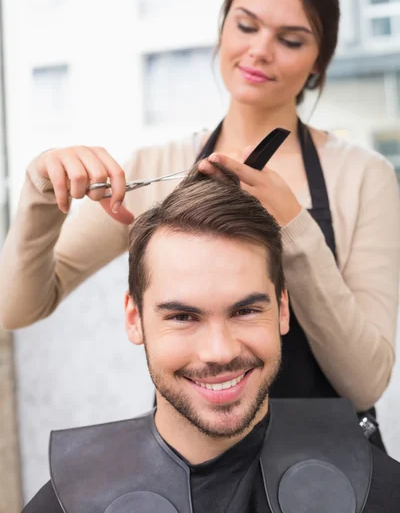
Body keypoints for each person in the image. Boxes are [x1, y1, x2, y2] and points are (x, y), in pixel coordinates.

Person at [1, 0, 399, 446]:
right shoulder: (155, 168)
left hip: (326, 475)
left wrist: (295, 227)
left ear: (319, 62)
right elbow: (17, 308)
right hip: (188, 471)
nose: (259, 51)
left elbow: (365, 381)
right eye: (246, 26)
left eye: (290, 40)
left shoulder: (365, 177)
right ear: (221, 30)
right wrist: (40, 198)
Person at [23, 167, 400, 513]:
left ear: (282, 308)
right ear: (134, 319)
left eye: (246, 311)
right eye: (183, 317)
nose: (220, 352)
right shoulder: (68, 503)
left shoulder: (381, 492)